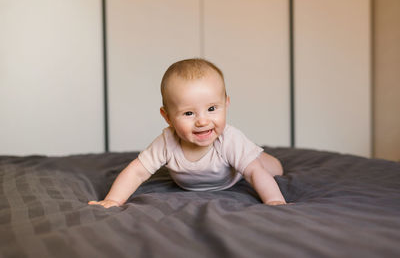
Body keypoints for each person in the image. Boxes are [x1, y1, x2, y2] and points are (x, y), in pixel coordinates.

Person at [89, 58, 286, 208]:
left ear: (226, 104)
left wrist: (275, 201)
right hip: (205, 175)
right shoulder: (167, 142)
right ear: (167, 117)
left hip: (236, 173)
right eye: (189, 113)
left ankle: (258, 154)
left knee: (270, 168)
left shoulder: (229, 139)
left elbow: (253, 173)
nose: (202, 121)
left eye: (212, 109)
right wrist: (113, 200)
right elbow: (136, 172)